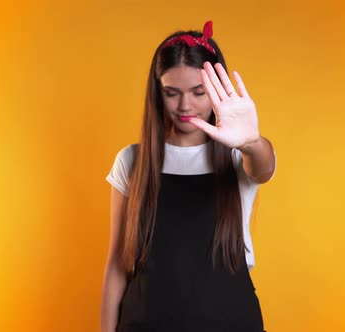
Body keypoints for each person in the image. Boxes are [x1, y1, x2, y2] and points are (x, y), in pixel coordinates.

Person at [101, 21, 276, 332]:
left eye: (198, 92)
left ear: (216, 92)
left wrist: (251, 142)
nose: (185, 106)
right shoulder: (131, 161)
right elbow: (117, 263)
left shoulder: (239, 156)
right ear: (157, 93)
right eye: (172, 93)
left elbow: (263, 167)